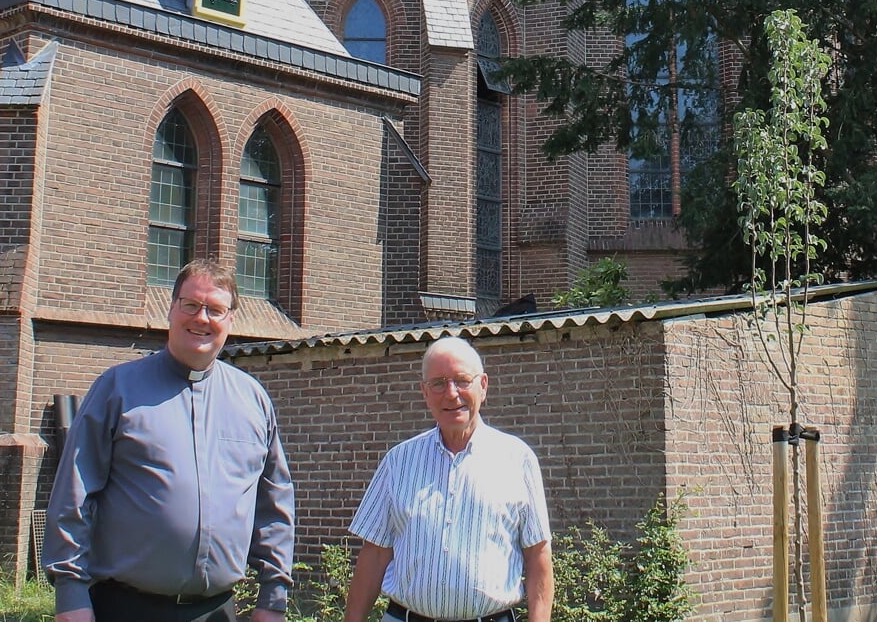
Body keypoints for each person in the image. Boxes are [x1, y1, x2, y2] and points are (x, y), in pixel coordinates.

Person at [43, 260, 294, 622]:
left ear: (231, 320)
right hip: (126, 607)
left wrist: (273, 597)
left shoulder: (252, 399)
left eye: (215, 310)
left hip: (216, 611)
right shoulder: (118, 389)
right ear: (171, 309)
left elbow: (274, 504)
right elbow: (75, 494)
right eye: (191, 305)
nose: (202, 318)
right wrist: (70, 594)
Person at [343, 336, 552, 622]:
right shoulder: (398, 461)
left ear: (483, 386)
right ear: (424, 393)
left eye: (462, 380)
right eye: (439, 383)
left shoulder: (518, 459)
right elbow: (374, 555)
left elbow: (538, 556)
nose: (451, 393)